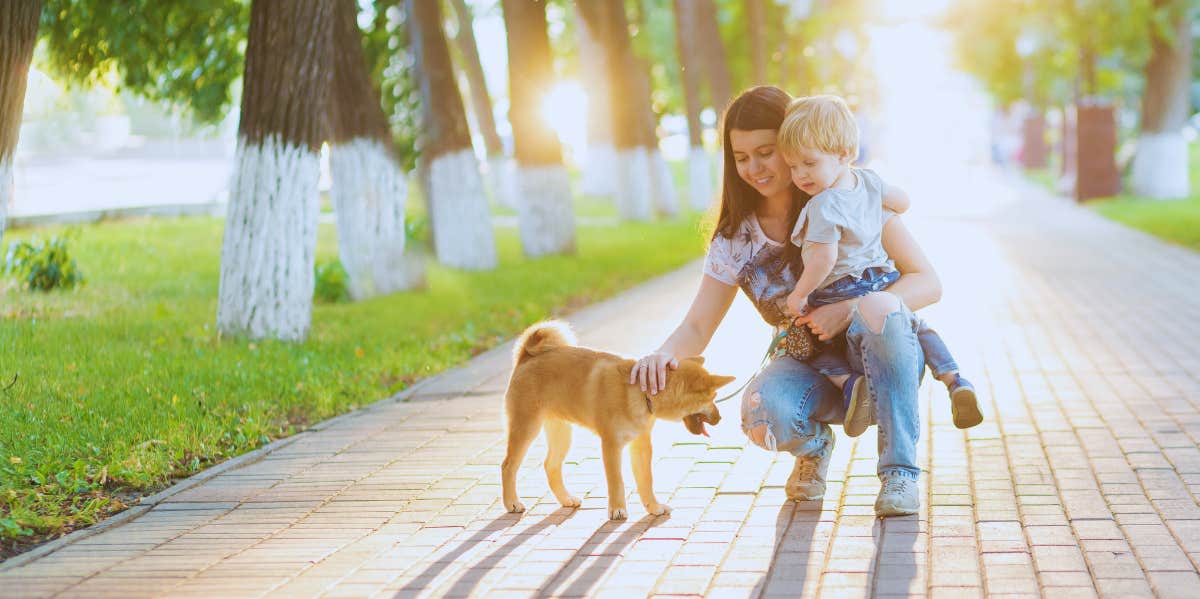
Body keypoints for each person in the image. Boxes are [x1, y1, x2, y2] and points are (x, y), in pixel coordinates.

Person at [628, 86, 940, 517]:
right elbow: (698, 327)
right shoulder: (735, 240)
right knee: (761, 415)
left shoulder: (850, 198)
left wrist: (848, 309)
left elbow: (927, 281)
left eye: (766, 151)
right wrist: (661, 356)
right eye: (741, 157)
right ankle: (813, 449)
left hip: (881, 354)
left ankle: (899, 472)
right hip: (810, 363)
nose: (754, 168)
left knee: (885, 317)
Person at [777, 95, 982, 436]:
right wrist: (870, 205)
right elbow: (902, 202)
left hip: (840, 288)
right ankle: (954, 378)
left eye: (809, 163)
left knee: (810, 345)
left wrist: (800, 294)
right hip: (882, 280)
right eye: (793, 166)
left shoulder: (823, 205)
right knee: (914, 325)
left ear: (843, 154)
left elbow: (824, 259)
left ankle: (848, 383)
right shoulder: (869, 183)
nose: (800, 175)